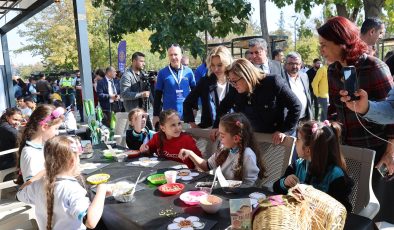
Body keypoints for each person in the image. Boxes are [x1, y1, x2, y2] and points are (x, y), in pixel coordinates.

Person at [318, 16, 394, 222]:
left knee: (379, 215)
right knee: (353, 211)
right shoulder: (332, 71)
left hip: (378, 152)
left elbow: (393, 114)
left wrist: (390, 152)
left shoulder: (375, 67)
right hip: (347, 151)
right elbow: (334, 109)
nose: (321, 50)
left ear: (342, 42)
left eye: (325, 45)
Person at [17, 136, 109, 230]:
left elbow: (19, 194)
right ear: (72, 161)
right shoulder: (73, 190)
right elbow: (91, 222)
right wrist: (101, 190)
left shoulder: (36, 186)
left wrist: (42, 173)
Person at [212, 59, 301, 145]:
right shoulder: (235, 88)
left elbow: (296, 106)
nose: (233, 85)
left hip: (275, 139)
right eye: (231, 81)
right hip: (252, 138)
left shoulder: (272, 82)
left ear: (246, 76)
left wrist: (284, 130)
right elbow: (223, 107)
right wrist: (216, 126)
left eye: (235, 81)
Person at [273, 120, 353, 212]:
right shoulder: (297, 165)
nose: (295, 143)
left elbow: (344, 209)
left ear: (308, 150)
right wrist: (285, 182)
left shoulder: (335, 175)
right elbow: (276, 188)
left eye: (298, 139)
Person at [179, 113, 264, 186]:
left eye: (222, 136)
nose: (219, 138)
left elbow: (249, 186)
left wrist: (225, 185)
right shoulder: (223, 149)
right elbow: (207, 166)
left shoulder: (247, 155)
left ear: (236, 139)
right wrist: (190, 153)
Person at [183, 46, 236, 128]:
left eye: (219, 65)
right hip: (209, 128)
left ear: (227, 64)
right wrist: (193, 124)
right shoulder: (205, 81)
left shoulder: (236, 81)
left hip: (231, 128)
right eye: (212, 65)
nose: (215, 69)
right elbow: (187, 102)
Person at [15, 104, 64, 184]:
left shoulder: (41, 146)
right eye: (56, 128)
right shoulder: (31, 154)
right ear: (44, 127)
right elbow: (31, 188)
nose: (57, 132)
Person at [153, 44, 196, 126]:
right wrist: (155, 115)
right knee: (170, 137)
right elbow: (158, 95)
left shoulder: (189, 72)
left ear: (181, 55)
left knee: (185, 136)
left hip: (186, 113)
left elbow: (194, 92)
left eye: (175, 54)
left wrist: (195, 108)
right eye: (171, 55)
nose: (173, 57)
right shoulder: (162, 73)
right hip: (169, 115)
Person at [283, 52, 313, 122]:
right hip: (288, 120)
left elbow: (308, 96)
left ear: (301, 64)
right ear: (285, 64)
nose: (294, 66)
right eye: (291, 63)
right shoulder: (281, 78)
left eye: (297, 64)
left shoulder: (304, 76)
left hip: (304, 119)